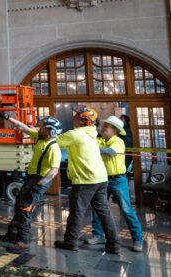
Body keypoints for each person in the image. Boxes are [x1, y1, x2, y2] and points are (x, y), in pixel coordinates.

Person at [54, 105, 120, 254]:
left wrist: (35, 130)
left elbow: (53, 140)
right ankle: (114, 245)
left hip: (85, 180)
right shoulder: (92, 134)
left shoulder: (75, 134)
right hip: (101, 179)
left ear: (83, 120)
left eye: (76, 115)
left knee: (77, 212)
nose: (73, 117)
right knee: (104, 211)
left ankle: (70, 242)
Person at [0, 113, 62, 254]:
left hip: (39, 180)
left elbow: (54, 170)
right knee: (19, 206)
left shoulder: (53, 148)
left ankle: (22, 242)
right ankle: (12, 236)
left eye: (41, 127)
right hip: (32, 178)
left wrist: (38, 186)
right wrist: (8, 118)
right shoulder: (40, 138)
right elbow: (23, 128)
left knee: (25, 209)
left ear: (50, 130)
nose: (38, 129)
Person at [86, 115, 143, 252]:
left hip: (117, 180)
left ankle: (138, 239)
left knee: (126, 209)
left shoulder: (118, 142)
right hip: (102, 179)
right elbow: (89, 143)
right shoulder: (100, 141)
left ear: (114, 131)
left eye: (106, 127)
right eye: (104, 126)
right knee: (99, 208)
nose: (103, 128)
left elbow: (110, 153)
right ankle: (98, 235)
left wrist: (94, 148)